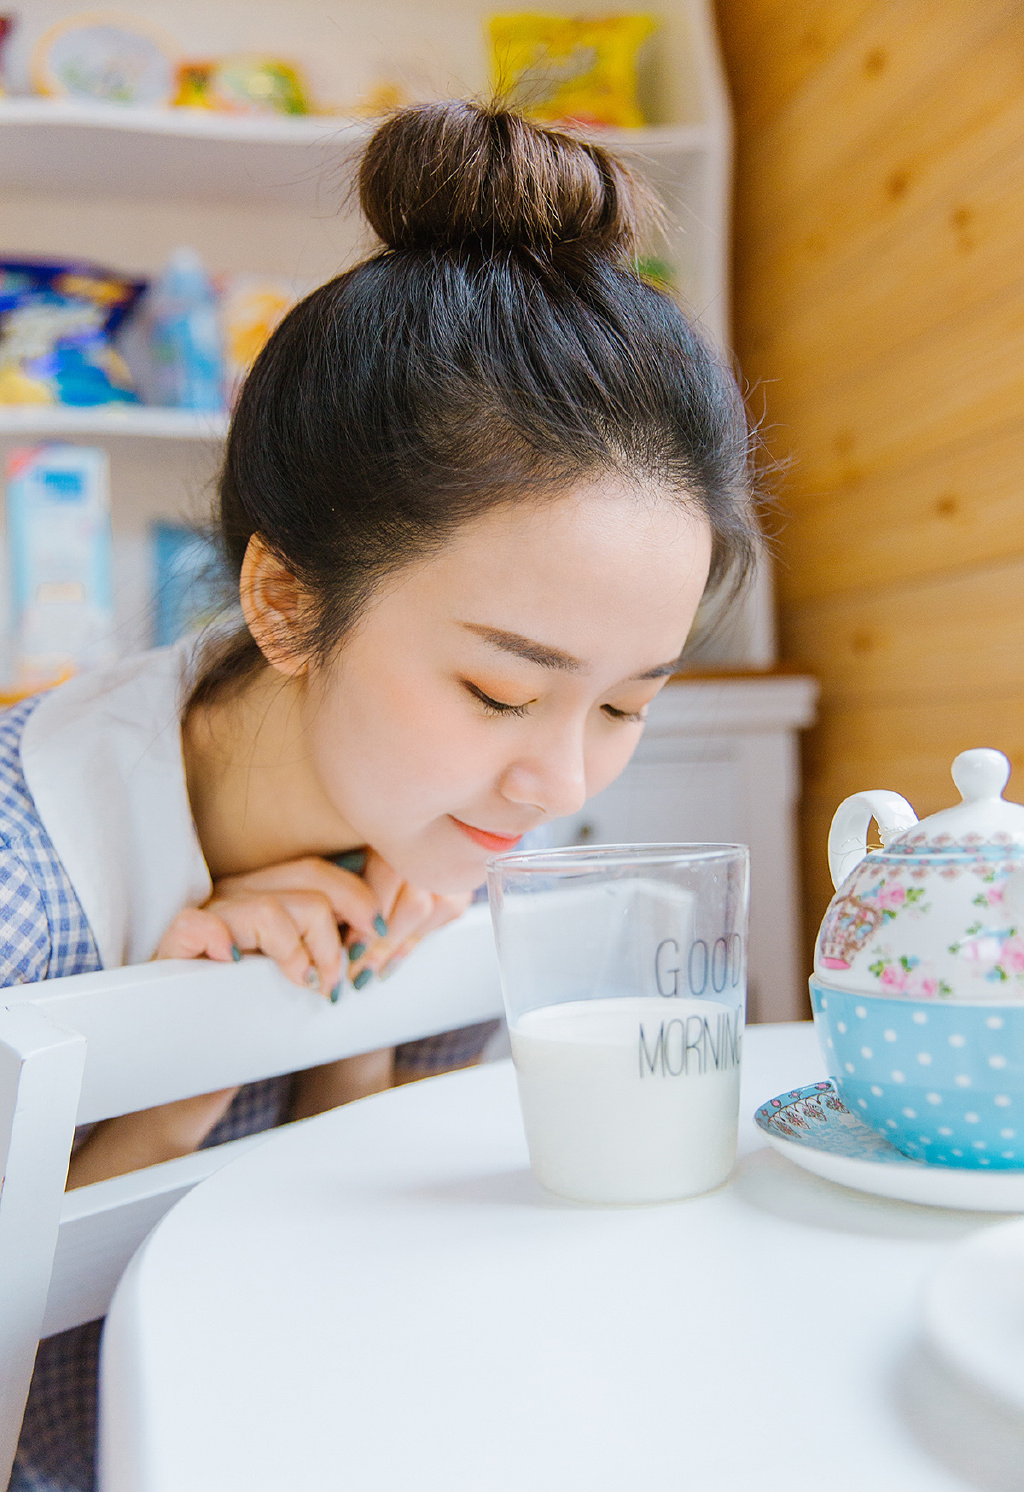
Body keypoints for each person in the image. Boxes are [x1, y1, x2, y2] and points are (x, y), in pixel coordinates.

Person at [6, 98, 759, 1491]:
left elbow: (353, 1287)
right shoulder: (22, 877)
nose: (562, 779)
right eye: (498, 690)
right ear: (286, 601)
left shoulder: (448, 862)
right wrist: (177, 1074)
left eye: (627, 702)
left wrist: (334, 1008)